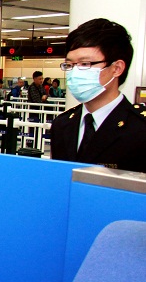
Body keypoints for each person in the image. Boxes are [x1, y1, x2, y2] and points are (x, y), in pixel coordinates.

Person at [50, 18, 146, 172]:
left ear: (117, 68)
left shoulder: (140, 128)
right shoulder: (62, 125)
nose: (74, 73)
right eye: (69, 65)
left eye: (85, 64)